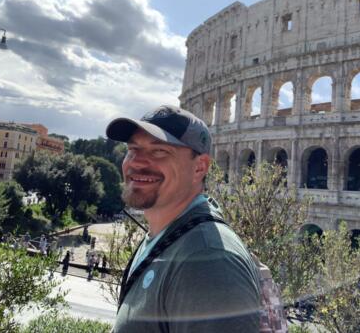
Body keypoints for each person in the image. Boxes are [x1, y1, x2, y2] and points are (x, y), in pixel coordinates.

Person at [106, 105, 260, 332]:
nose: (136, 162)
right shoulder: (167, 235)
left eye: (159, 151)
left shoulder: (209, 261)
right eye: (132, 149)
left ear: (199, 168)